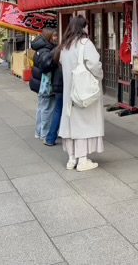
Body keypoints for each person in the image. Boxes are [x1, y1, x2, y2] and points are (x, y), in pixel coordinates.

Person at [55, 16, 104, 172]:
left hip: (69, 89)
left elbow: (62, 63)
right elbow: (94, 65)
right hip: (83, 91)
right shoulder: (85, 43)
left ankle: (71, 158)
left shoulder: (65, 46)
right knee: (84, 123)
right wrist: (98, 77)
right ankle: (82, 159)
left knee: (70, 122)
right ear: (83, 28)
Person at [29, 28, 58, 141]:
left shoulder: (40, 48)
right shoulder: (46, 50)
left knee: (42, 107)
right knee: (47, 109)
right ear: (49, 37)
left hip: (39, 83)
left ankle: (38, 131)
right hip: (45, 85)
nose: (56, 38)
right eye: (55, 36)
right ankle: (44, 133)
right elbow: (46, 66)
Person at [38, 39, 64, 147]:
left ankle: (50, 138)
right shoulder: (69, 50)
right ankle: (53, 136)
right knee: (63, 110)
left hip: (56, 83)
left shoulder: (56, 50)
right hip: (66, 84)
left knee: (57, 110)